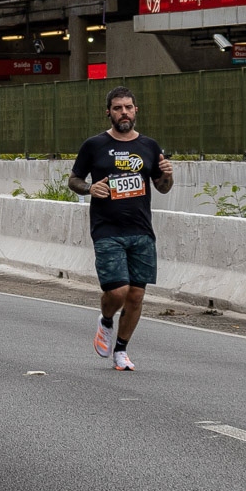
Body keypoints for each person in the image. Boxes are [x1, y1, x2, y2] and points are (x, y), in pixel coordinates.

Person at [68, 86, 174, 371]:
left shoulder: (149, 146)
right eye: (117, 108)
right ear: (109, 112)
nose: (123, 112)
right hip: (107, 229)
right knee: (118, 292)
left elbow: (162, 188)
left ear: (136, 110)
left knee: (136, 295)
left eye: (128, 107)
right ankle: (105, 321)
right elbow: (74, 181)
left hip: (141, 230)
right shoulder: (94, 145)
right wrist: (91, 188)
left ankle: (121, 351)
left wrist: (166, 175)